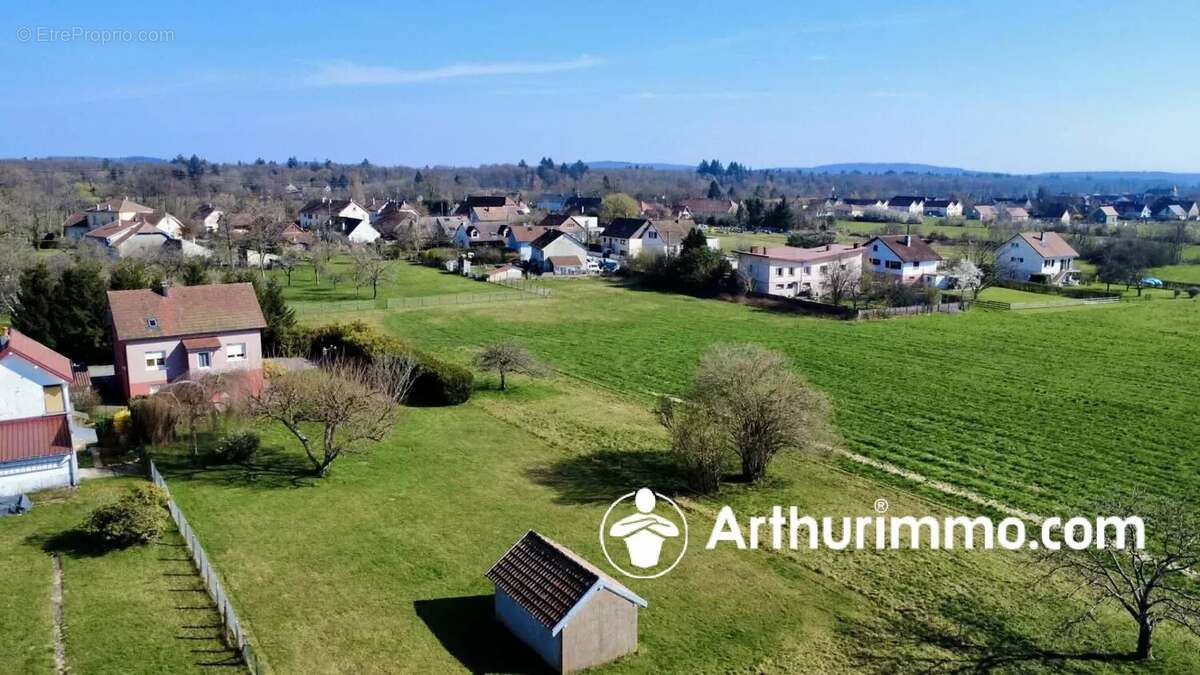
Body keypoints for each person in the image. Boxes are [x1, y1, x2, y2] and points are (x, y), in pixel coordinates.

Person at [608, 488, 679, 568]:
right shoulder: (638, 518)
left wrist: (650, 522)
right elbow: (615, 530)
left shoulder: (655, 518)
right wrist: (649, 521)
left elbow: (674, 530)